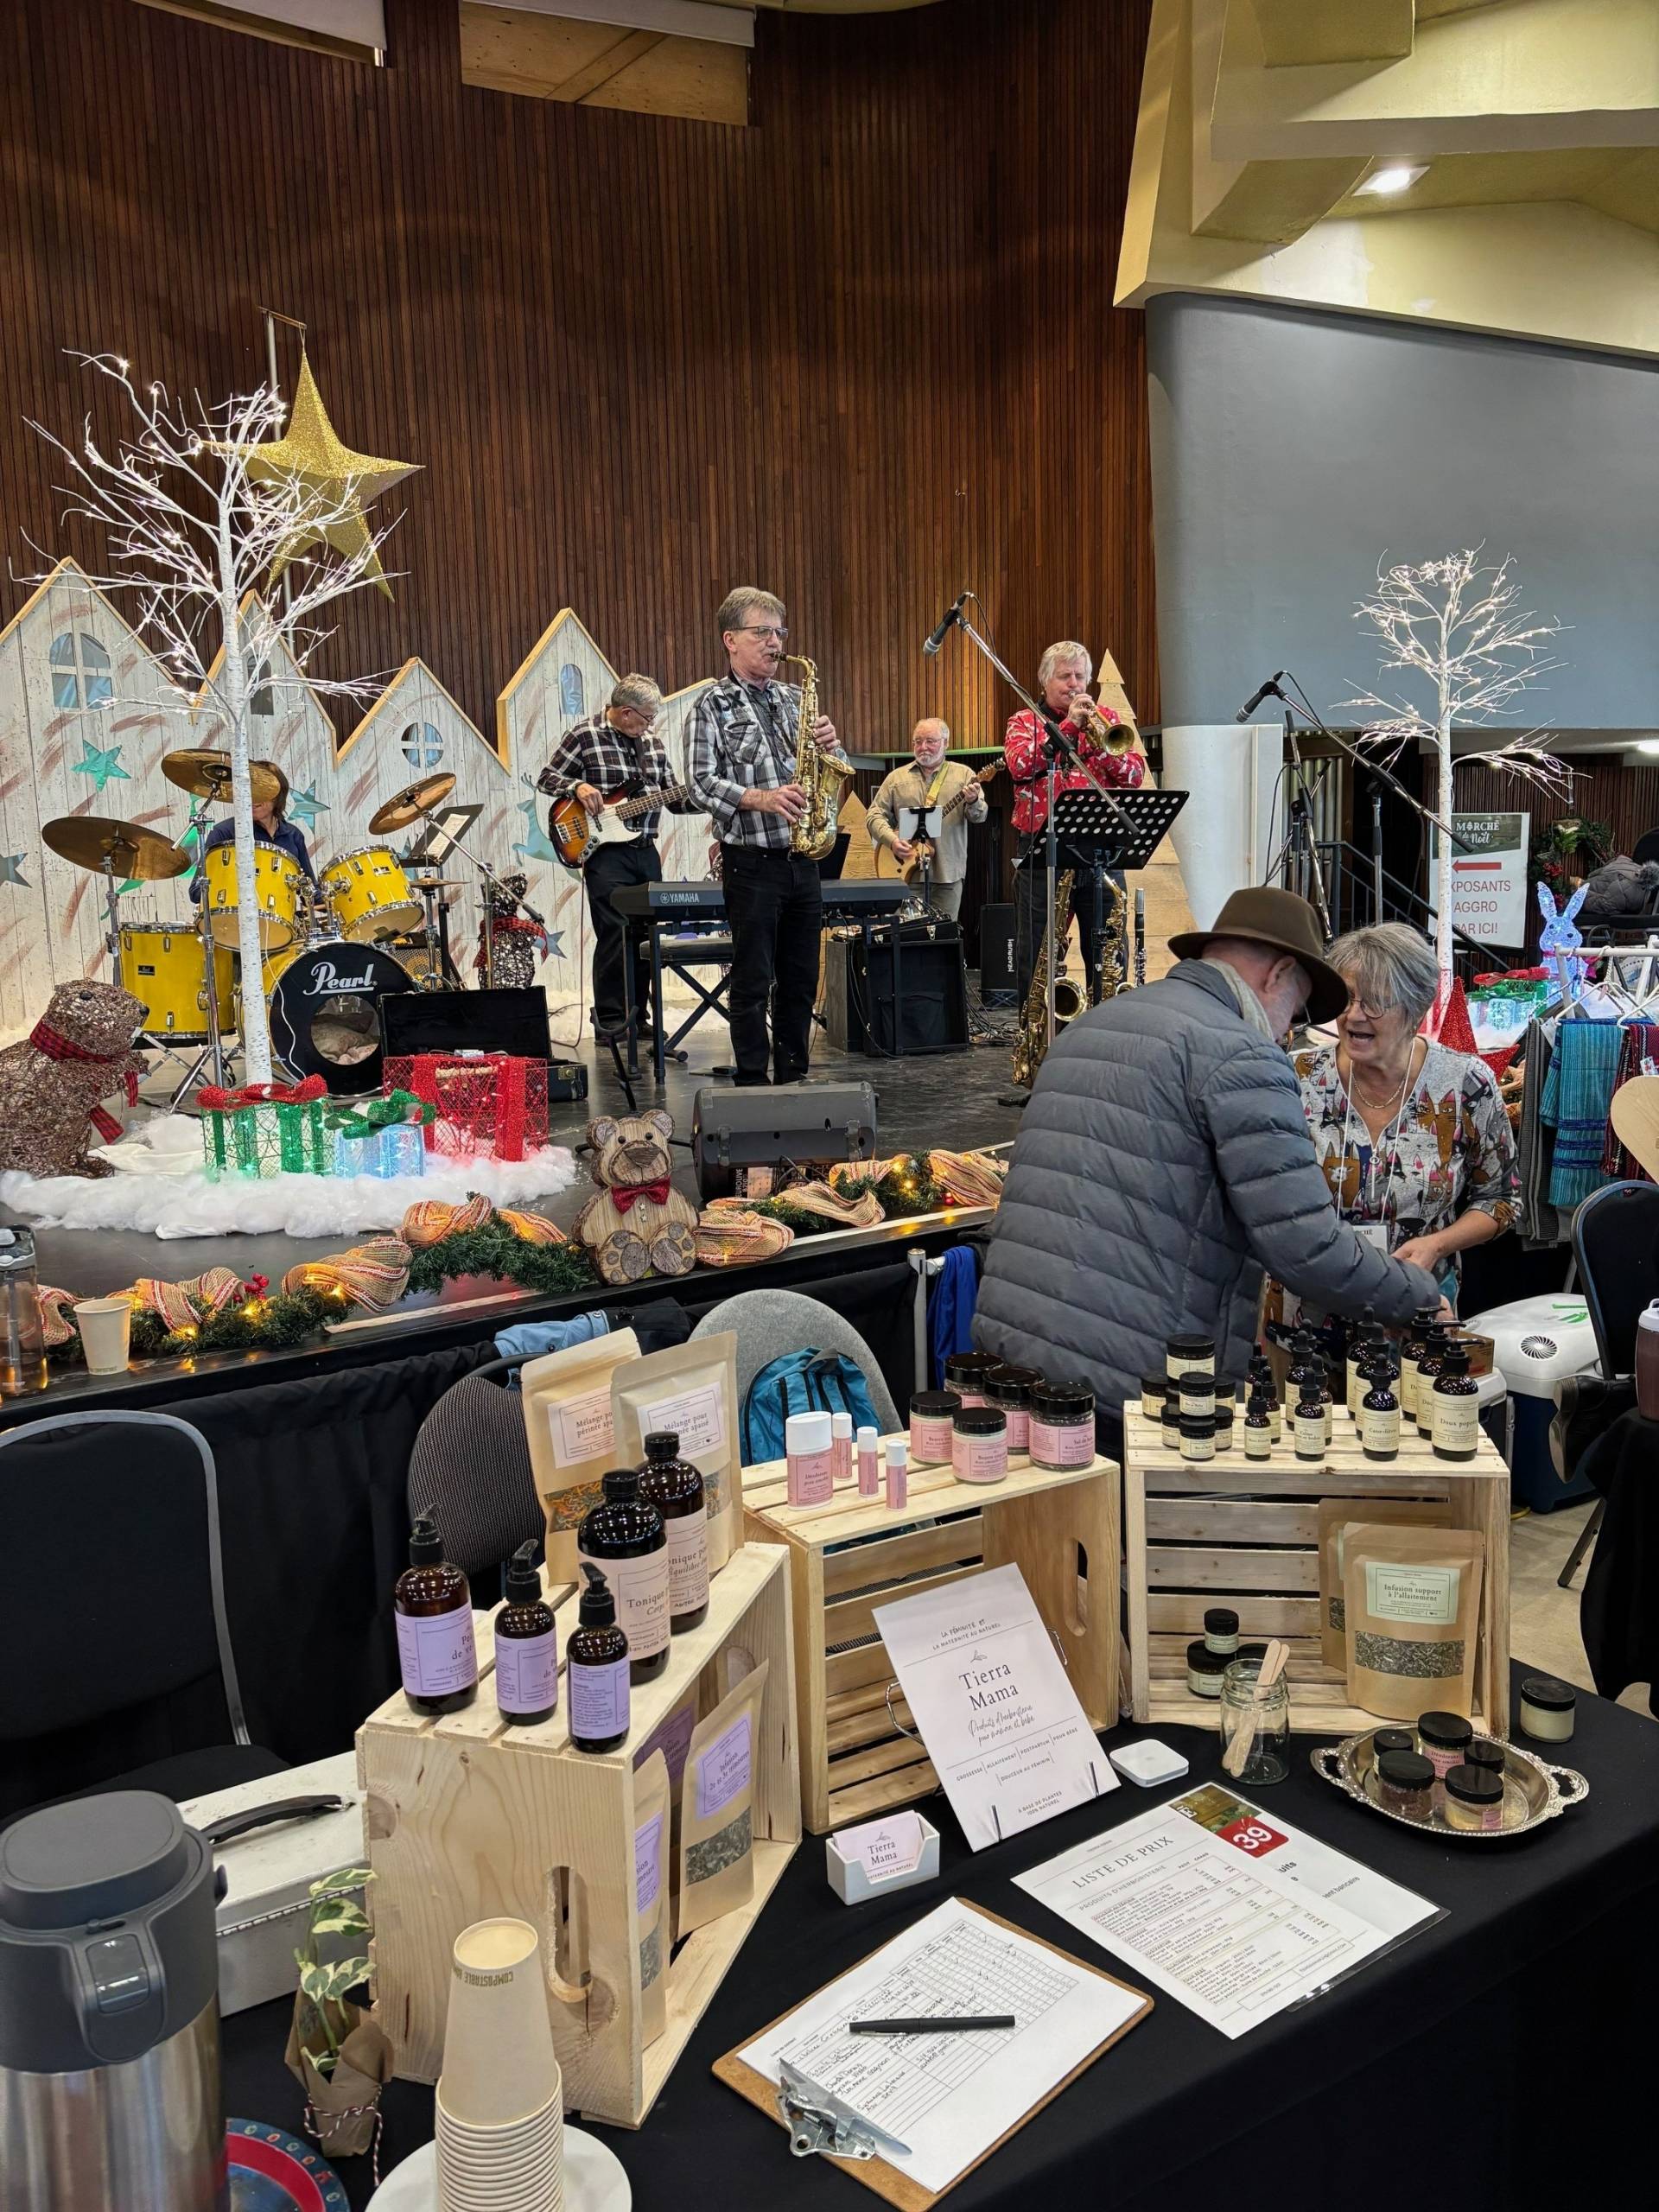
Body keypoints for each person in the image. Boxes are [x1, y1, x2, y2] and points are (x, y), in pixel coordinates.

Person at [973, 887, 1443, 1457]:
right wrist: (1418, 1297)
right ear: (1279, 974)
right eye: (1294, 1015)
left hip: (1009, 1361)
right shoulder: (1241, 1054)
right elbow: (1305, 1248)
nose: (1284, 1035)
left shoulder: (1088, 1029)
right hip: (1125, 1388)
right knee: (1133, 1545)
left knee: (1045, 1543)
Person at [1294, 922, 1520, 1306]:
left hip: (1414, 1305)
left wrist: (1437, 1244)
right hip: (1306, 1310)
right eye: (1347, 998)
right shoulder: (1296, 1078)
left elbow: (1501, 1198)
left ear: (1416, 1008)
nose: (1354, 1015)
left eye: (1376, 1002)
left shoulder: (1465, 1083)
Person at [688, 587, 845, 1087]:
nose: (775, 643)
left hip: (804, 860)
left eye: (780, 632)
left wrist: (830, 747)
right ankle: (753, 1082)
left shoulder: (797, 698)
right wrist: (760, 797)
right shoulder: (709, 705)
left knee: (800, 981)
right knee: (753, 981)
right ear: (730, 640)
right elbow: (698, 782)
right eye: (763, 633)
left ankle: (794, 1076)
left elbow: (827, 769)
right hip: (751, 863)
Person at [537, 673, 693, 1043]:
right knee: (615, 932)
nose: (651, 725)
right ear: (625, 713)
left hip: (645, 849)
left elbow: (674, 797)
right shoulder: (584, 734)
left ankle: (638, 1018)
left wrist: (710, 796)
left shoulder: (652, 744)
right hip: (606, 854)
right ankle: (610, 1020)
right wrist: (577, 785)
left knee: (645, 935)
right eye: (647, 718)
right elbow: (547, 778)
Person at [1004, 640, 1146, 1007]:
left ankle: (1109, 1023)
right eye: (1065, 676)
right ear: (1045, 681)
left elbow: (1133, 775)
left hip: (1102, 851)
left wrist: (1101, 744)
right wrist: (1068, 726)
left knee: (1109, 946)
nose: (1074, 684)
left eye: (1080, 676)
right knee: (1035, 951)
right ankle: (1034, 1030)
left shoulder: (1109, 721)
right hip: (1043, 853)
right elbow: (1019, 766)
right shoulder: (1025, 722)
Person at [866, 718, 988, 921]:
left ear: (946, 743)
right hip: (905, 875)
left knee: (943, 938)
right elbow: (873, 815)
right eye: (918, 741)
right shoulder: (896, 778)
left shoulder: (965, 775)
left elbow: (979, 817)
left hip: (948, 875)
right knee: (907, 937)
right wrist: (892, 841)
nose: (923, 747)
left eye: (931, 741)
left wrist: (974, 800)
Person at [194, 762, 317, 893]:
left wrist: (335, 897)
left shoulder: (293, 835)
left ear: (278, 795)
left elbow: (310, 893)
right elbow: (196, 891)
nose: (253, 798)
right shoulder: (224, 833)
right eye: (249, 791)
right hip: (238, 913)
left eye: (261, 791)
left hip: (283, 914)